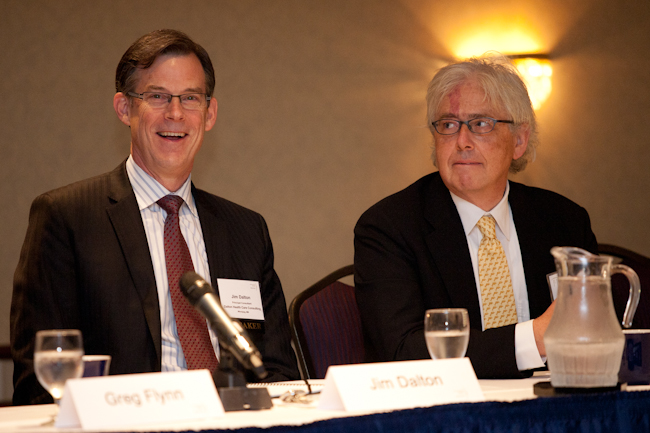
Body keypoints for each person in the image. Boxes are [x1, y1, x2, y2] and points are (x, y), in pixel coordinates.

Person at [11, 29, 299, 405]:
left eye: (190, 98)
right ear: (124, 108)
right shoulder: (67, 218)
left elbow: (277, 372)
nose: (175, 113)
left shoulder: (246, 230)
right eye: (157, 96)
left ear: (209, 114)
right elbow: (40, 379)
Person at [354, 55, 598, 379]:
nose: (462, 141)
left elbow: (596, 333)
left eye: (481, 124)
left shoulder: (565, 221)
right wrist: (536, 338)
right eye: (448, 125)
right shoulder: (390, 227)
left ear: (519, 141)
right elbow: (403, 352)